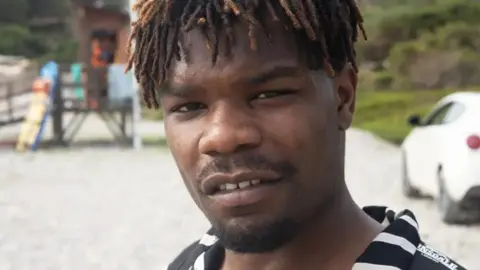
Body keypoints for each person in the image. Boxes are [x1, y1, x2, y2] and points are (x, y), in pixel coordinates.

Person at [126, 1, 466, 269]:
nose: (222, 137)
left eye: (268, 95)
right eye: (189, 107)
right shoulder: (188, 264)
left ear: (343, 98)